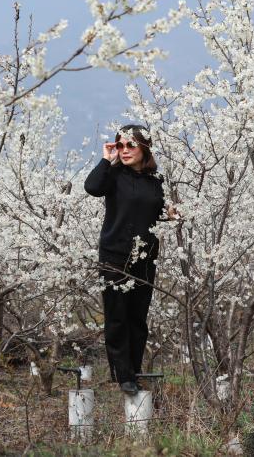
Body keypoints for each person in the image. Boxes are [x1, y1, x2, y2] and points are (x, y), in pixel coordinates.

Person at [84, 124, 177, 396]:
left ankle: (134, 371)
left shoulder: (157, 180)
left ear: (144, 148)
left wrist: (170, 215)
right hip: (114, 255)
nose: (124, 151)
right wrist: (106, 158)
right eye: (120, 145)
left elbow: (156, 213)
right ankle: (123, 376)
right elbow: (92, 187)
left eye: (130, 146)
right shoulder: (113, 175)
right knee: (117, 317)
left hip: (146, 257)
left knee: (138, 318)